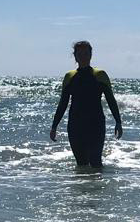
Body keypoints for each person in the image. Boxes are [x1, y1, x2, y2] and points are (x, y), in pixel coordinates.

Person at [49, 40, 122, 170]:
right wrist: (54, 126)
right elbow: (63, 103)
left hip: (96, 125)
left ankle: (98, 189)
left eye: (86, 53)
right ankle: (83, 189)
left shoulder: (100, 75)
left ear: (91, 55)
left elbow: (111, 100)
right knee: (81, 164)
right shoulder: (70, 76)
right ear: (75, 56)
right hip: (75, 126)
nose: (83, 56)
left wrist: (118, 122)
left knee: (96, 163)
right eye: (80, 53)